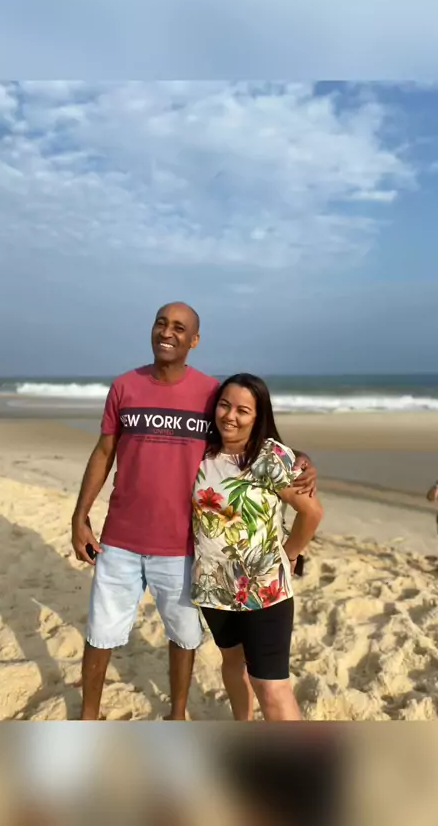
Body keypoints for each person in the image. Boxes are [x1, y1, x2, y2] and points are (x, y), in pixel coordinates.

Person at [71, 303, 318, 721]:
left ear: (194, 340)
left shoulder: (209, 394)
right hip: (127, 540)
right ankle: (88, 719)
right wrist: (80, 517)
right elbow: (104, 451)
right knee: (102, 633)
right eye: (161, 323)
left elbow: (249, 433)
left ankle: (178, 714)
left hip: (183, 547)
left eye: (179, 327)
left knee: (186, 637)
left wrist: (302, 460)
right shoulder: (125, 386)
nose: (167, 332)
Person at [191, 373, 323, 721]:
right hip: (213, 587)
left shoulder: (269, 456)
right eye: (224, 405)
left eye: (243, 410)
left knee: (271, 686)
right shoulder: (201, 454)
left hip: (265, 591)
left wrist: (290, 554)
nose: (230, 416)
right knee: (232, 663)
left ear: (257, 415)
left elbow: (311, 512)